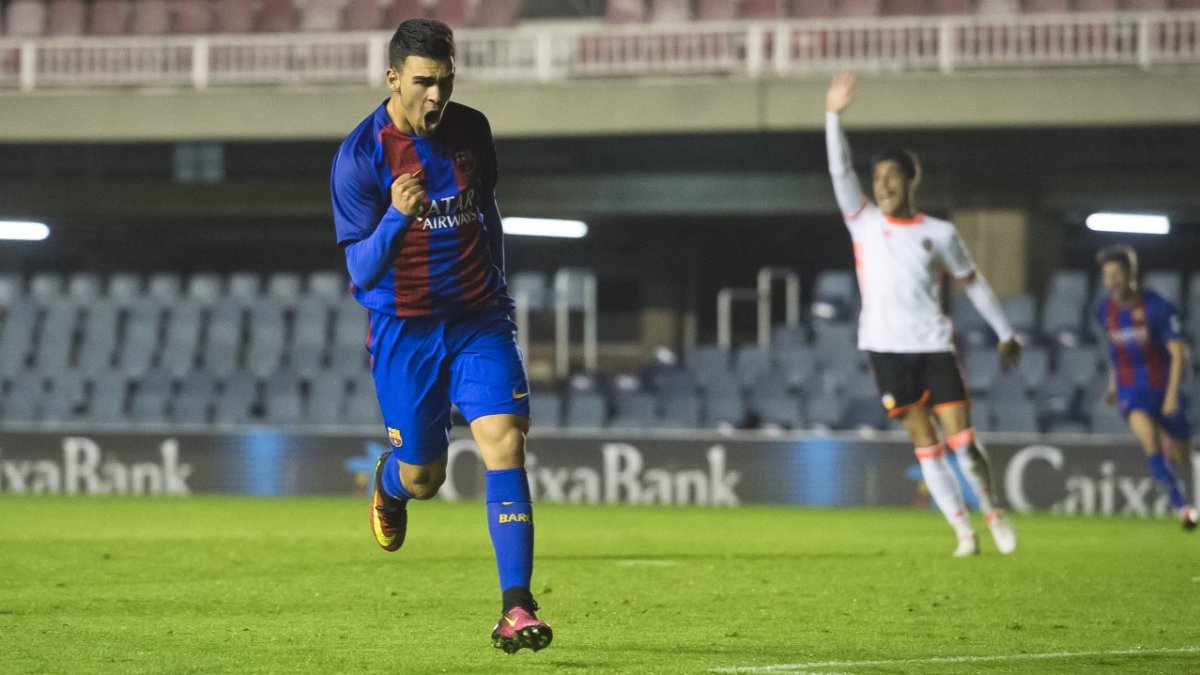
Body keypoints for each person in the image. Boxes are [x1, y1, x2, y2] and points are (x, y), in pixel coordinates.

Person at [329, 18, 552, 653]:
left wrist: (498, 282)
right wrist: (399, 217)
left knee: (504, 443)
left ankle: (516, 607)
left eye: (446, 82)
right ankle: (390, 484)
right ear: (393, 77)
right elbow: (360, 269)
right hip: (406, 328)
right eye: (424, 82)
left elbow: (489, 210)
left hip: (479, 315)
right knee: (426, 478)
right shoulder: (359, 158)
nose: (437, 96)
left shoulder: (472, 130)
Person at [824, 71, 1020, 556]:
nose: (884, 185)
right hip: (885, 349)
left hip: (932, 346)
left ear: (912, 179)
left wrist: (1004, 331)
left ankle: (992, 510)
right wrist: (833, 116)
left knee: (962, 442)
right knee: (925, 444)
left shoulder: (939, 233)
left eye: (893, 176)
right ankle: (963, 533)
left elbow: (972, 284)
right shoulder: (863, 222)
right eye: (878, 178)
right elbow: (838, 172)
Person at [1095, 245, 1197, 530]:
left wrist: (1172, 396)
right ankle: (1184, 508)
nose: (1111, 280)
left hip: (1164, 388)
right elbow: (1115, 350)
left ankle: (1174, 463)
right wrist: (1114, 383)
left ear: (1131, 275)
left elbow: (1179, 354)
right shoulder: (1104, 310)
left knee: (1182, 457)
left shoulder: (1159, 307)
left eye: (1117, 273)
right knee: (1150, 446)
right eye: (1106, 275)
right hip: (1132, 390)